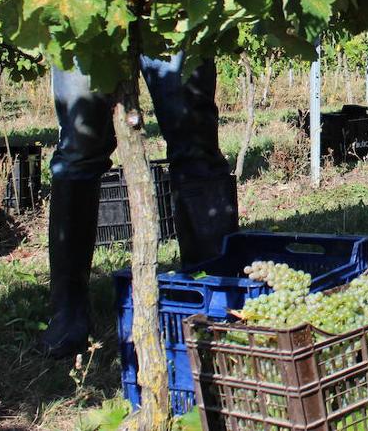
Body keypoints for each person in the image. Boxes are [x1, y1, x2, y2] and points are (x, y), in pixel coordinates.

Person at [37, 53, 239, 358]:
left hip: (169, 7)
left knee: (195, 141)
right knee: (79, 145)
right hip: (85, 10)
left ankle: (212, 299)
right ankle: (68, 311)